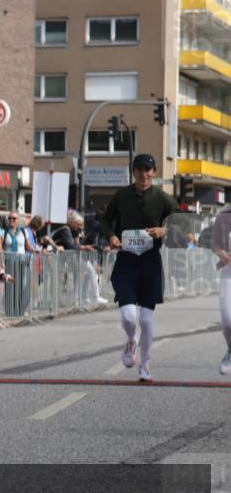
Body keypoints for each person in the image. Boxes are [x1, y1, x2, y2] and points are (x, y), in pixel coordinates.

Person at [100, 153, 181, 382]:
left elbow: (182, 221)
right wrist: (111, 236)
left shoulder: (162, 198)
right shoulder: (122, 196)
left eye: (148, 170)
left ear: (154, 173)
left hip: (150, 263)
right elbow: (105, 220)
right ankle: (131, 340)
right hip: (126, 261)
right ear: (133, 172)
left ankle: (145, 367)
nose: (144, 174)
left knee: (146, 319)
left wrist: (164, 230)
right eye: (139, 170)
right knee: (128, 317)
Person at [210, 204, 231, 375]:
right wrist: (222, 254)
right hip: (229, 271)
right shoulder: (223, 216)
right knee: (227, 320)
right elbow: (215, 243)